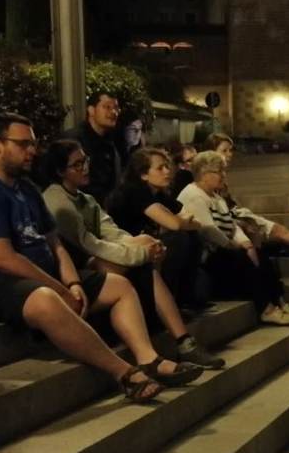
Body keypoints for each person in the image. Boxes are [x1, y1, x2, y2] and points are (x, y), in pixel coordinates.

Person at [0, 113, 202, 404]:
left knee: (118, 286)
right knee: (46, 298)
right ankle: (125, 374)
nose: (32, 151)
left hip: (41, 278)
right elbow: (2, 258)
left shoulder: (26, 189)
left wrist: (73, 282)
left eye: (33, 143)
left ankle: (148, 359)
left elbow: (55, 244)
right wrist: (60, 290)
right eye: (23, 144)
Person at [42, 140, 224, 370]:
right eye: (77, 165)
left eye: (85, 161)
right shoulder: (57, 201)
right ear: (60, 170)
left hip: (97, 258)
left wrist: (146, 245)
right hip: (76, 268)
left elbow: (112, 232)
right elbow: (90, 245)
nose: (85, 168)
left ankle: (181, 339)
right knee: (145, 261)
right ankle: (180, 341)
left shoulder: (85, 198)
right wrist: (139, 254)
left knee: (150, 243)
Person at [178, 151, 289, 325]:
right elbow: (208, 230)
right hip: (208, 256)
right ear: (204, 174)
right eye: (219, 172)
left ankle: (279, 301)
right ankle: (266, 309)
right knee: (242, 258)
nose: (223, 175)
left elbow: (232, 225)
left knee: (261, 256)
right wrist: (235, 246)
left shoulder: (216, 197)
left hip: (225, 248)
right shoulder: (193, 195)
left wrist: (246, 244)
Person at [107, 147, 206, 313]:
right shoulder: (135, 191)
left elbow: (196, 221)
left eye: (167, 166)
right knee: (178, 239)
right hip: (126, 248)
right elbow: (174, 224)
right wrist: (178, 222)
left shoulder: (158, 193)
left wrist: (179, 222)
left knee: (192, 236)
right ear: (143, 174)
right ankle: (167, 305)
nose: (167, 171)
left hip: (149, 243)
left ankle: (184, 301)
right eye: (160, 168)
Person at [68, 90, 127, 205]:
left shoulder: (114, 141)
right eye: (107, 107)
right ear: (91, 110)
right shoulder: (74, 140)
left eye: (116, 108)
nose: (114, 112)